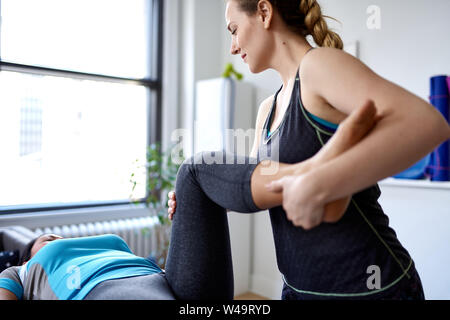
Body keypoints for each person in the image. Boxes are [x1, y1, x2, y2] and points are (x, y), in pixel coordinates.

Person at [167, 0, 450, 300]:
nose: (233, 48)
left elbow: (428, 123)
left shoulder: (317, 66)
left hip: (369, 287)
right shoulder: (268, 109)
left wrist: (322, 181)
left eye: (234, 30)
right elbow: (257, 189)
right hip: (297, 289)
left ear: (264, 12)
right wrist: (203, 198)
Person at [0, 102, 380, 300]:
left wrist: (188, 218)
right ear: (27, 256)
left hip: (167, 283)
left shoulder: (110, 248)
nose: (48, 239)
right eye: (41, 240)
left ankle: (314, 173)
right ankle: (316, 172)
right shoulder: (23, 273)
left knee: (194, 173)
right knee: (198, 170)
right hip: (105, 291)